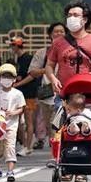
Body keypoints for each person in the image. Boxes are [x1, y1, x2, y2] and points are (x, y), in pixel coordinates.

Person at [45, 0, 91, 182]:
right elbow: (49, 66)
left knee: (85, 130)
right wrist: (53, 78)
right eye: (69, 15)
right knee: (61, 129)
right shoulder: (59, 43)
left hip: (89, 93)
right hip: (65, 93)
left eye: (75, 15)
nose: (71, 18)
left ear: (85, 19)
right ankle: (63, 165)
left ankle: (83, 166)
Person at [28, 22, 66, 154]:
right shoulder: (42, 53)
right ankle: (55, 151)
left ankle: (58, 153)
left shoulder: (70, 50)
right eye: (56, 31)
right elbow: (32, 72)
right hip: (47, 94)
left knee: (59, 124)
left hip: (64, 94)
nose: (59, 34)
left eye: (62, 31)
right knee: (51, 126)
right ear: (50, 35)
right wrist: (48, 69)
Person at [10, 37, 38, 157]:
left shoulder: (27, 58)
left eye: (13, 45)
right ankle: (24, 144)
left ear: (17, 46)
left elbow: (31, 76)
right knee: (20, 121)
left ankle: (28, 146)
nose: (11, 48)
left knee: (28, 121)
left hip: (29, 94)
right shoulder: (20, 59)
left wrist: (18, 84)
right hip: (21, 93)